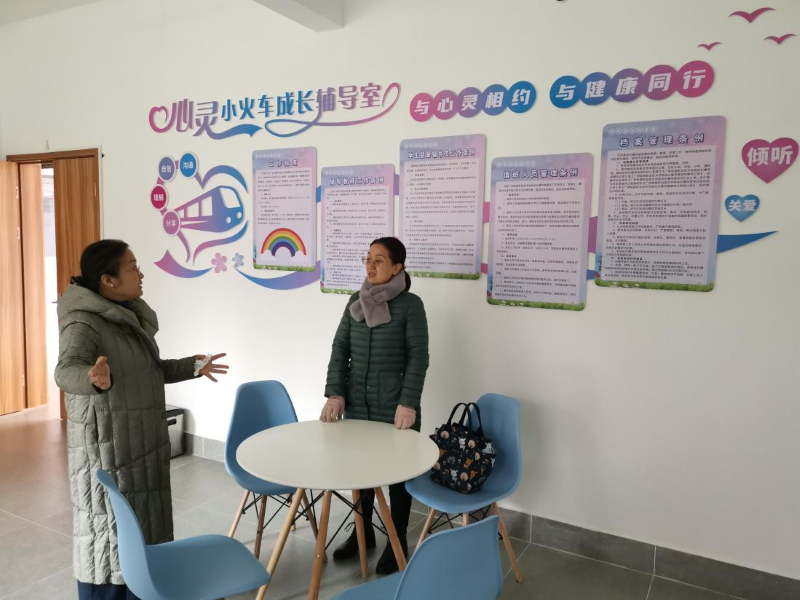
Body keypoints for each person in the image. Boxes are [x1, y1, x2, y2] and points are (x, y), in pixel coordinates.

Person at [55, 240, 228, 600]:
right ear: (108, 280)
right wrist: (91, 377)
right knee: (110, 537)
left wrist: (191, 367)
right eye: (132, 267)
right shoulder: (83, 321)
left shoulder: (124, 313)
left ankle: (146, 590)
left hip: (138, 443)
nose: (141, 273)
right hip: (108, 450)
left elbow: (148, 371)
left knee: (142, 531)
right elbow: (65, 370)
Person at [321, 236, 429, 575]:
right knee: (361, 472)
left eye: (379, 260)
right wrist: (335, 394)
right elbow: (340, 348)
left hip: (395, 406)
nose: (370, 265)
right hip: (358, 403)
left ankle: (398, 542)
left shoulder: (410, 305)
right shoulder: (356, 300)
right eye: (368, 258)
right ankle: (363, 533)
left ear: (397, 268)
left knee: (398, 481)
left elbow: (419, 357)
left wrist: (409, 402)